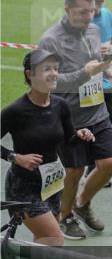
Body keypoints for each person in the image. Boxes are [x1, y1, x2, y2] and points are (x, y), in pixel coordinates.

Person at [38, 0, 112, 240]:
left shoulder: (94, 30)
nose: (88, 17)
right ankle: (64, 217)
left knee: (110, 163)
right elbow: (48, 81)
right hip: (69, 118)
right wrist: (86, 73)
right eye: (82, 12)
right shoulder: (51, 40)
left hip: (97, 112)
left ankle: (82, 204)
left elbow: (94, 61)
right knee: (74, 170)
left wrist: (108, 67)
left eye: (91, 12)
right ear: (67, 10)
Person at [1, 50, 95, 245]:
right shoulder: (16, 110)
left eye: (55, 69)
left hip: (51, 185)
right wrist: (15, 157)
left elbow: (69, 140)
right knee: (55, 239)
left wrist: (80, 135)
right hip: (23, 188)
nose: (53, 73)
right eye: (46, 69)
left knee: (43, 241)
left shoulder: (60, 105)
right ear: (30, 74)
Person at [81, 0, 112, 188]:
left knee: (109, 125)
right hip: (85, 85)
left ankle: (97, 170)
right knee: (88, 129)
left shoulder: (106, 14)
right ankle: (90, 170)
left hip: (104, 84)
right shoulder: (78, 22)